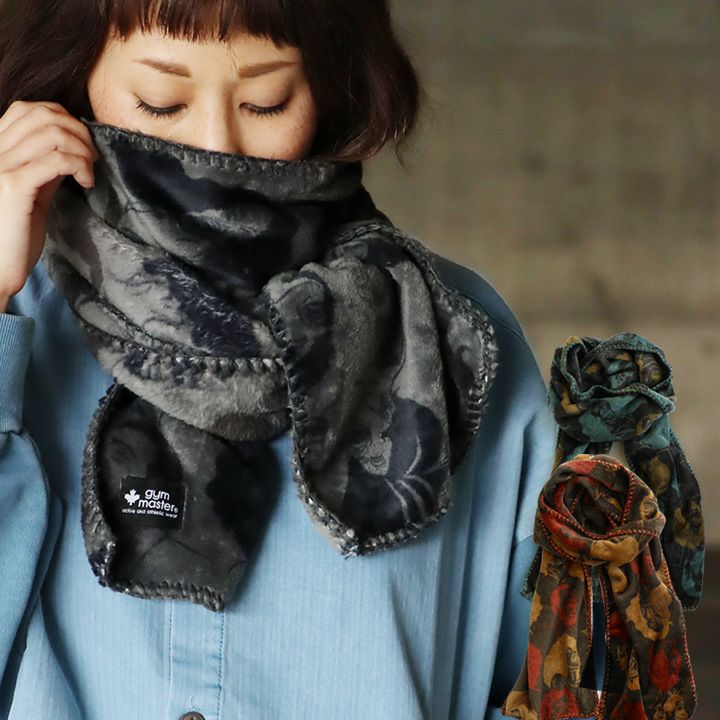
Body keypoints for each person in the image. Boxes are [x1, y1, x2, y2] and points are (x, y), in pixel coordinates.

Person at [0, 2, 569, 718]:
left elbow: (545, 687)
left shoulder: (451, 345)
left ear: (330, 87)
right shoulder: (22, 320)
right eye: (161, 101)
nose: (216, 145)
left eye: (266, 102)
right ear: (74, 80)